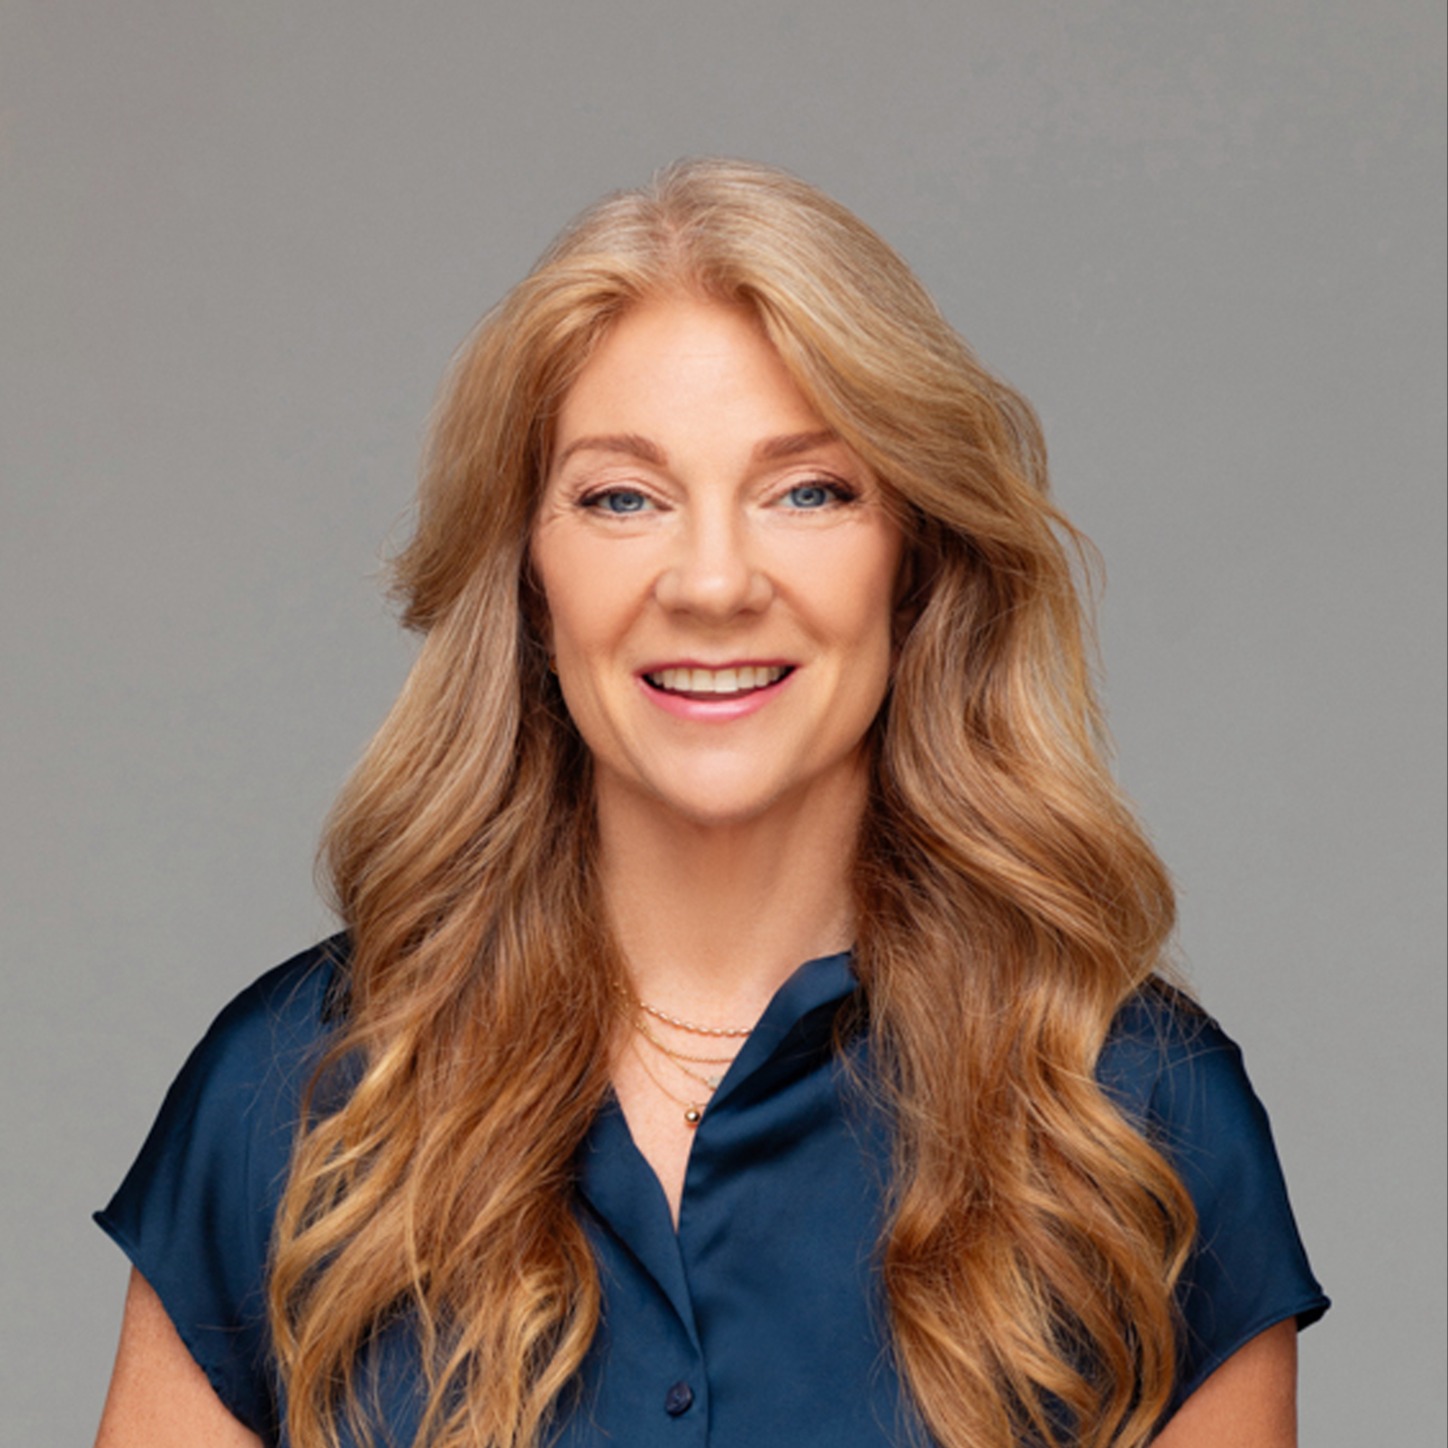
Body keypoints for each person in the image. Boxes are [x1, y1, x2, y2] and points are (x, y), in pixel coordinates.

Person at [93, 159, 1327, 1448]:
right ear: (528, 574)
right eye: (623, 498)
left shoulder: (1136, 1115)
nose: (715, 582)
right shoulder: (292, 1096)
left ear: (914, 559)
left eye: (808, 491)